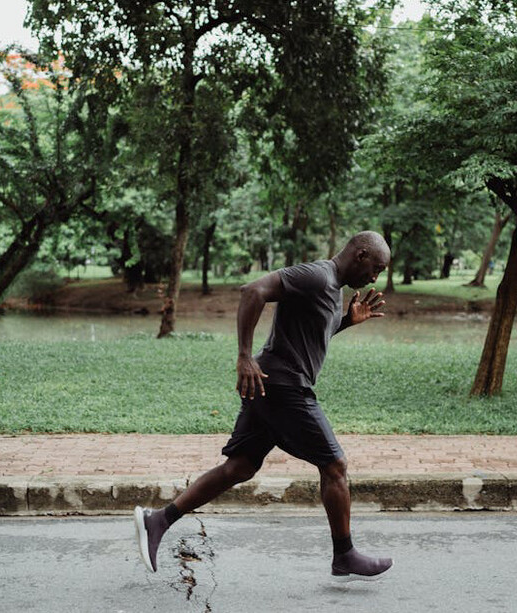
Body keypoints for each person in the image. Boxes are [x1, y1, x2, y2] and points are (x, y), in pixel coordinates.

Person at [134, 231, 394, 582]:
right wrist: (243, 356)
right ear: (360, 255)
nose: (375, 278)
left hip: (272, 384)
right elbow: (252, 290)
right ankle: (344, 554)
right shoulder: (317, 275)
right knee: (335, 466)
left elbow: (309, 335)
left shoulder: (332, 289)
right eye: (376, 268)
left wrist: (346, 321)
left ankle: (158, 520)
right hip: (284, 386)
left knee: (239, 467)